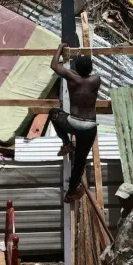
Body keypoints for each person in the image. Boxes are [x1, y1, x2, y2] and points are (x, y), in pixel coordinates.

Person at [49, 43, 101, 202]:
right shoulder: (96, 80)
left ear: (76, 69)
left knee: (53, 114)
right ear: (90, 69)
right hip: (90, 127)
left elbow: (54, 65)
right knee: (80, 161)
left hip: (74, 123)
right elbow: (86, 75)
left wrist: (59, 47)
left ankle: (66, 143)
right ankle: (71, 192)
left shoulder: (72, 78)